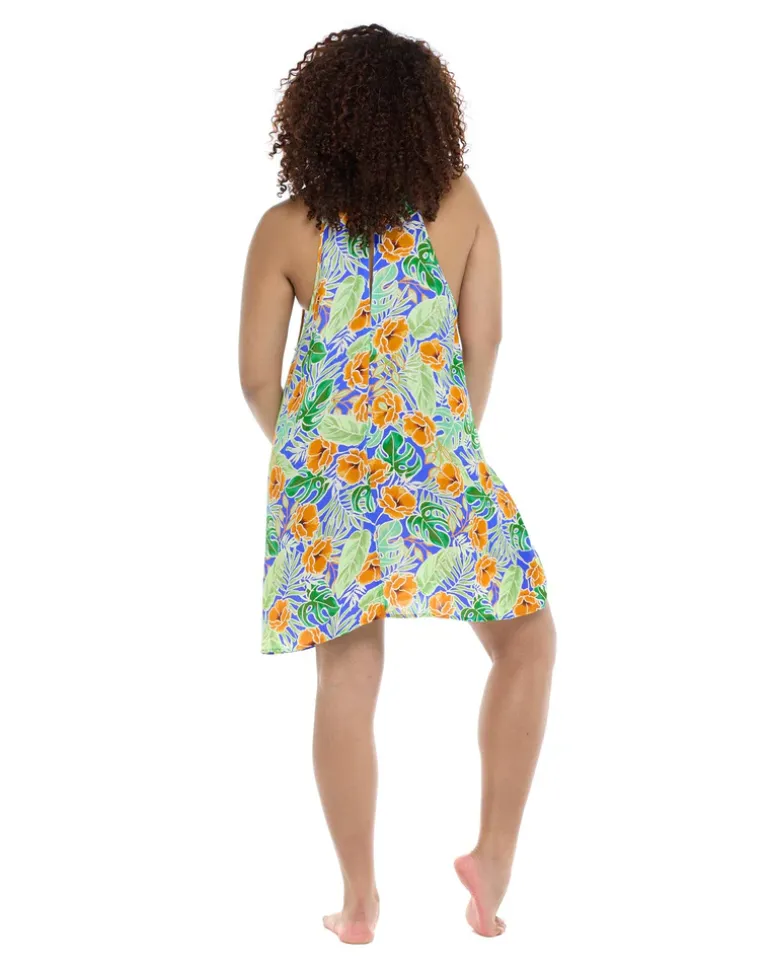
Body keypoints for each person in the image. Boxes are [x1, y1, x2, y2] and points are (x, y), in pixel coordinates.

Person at [239, 23, 557, 944]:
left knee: (346, 671)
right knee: (528, 640)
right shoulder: (458, 207)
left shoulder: (286, 228)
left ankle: (359, 898)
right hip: (437, 461)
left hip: (325, 475)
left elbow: (257, 378)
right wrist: (453, 441)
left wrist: (311, 457)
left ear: (314, 119)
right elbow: (485, 338)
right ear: (428, 118)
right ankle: (493, 859)